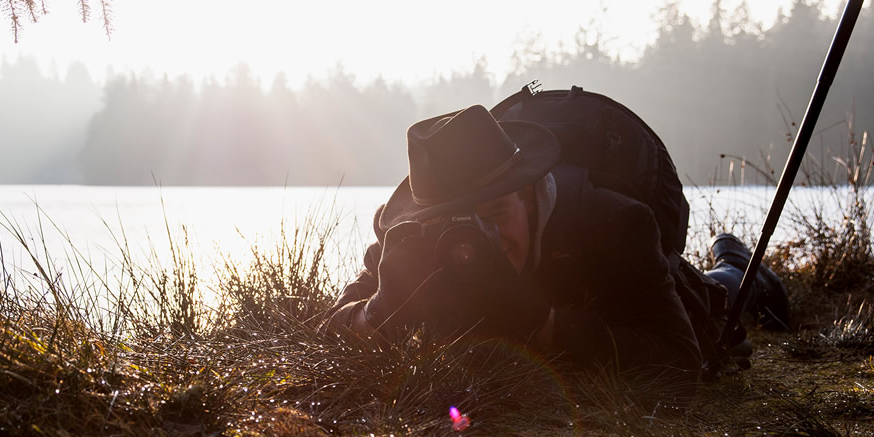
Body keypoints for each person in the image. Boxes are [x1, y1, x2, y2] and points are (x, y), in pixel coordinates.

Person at [323, 103, 788, 396]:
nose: (484, 240)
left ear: (527, 195)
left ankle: (735, 262)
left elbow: (678, 361)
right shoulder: (417, 238)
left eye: (497, 215)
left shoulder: (612, 222)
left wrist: (538, 323)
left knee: (717, 300)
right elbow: (326, 330)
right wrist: (380, 312)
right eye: (461, 225)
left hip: (648, 292)